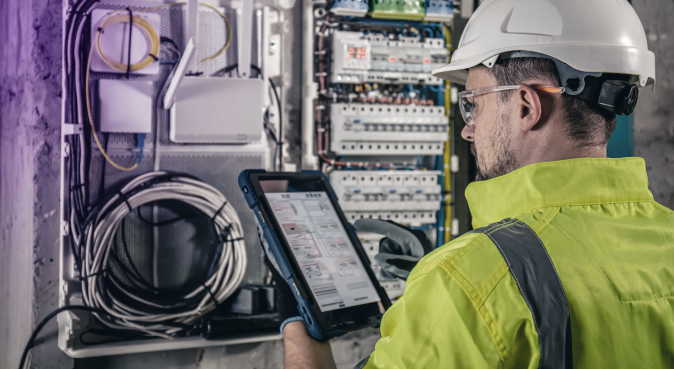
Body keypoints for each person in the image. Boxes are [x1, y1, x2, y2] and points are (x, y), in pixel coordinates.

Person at [277, 0, 674, 367]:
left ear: (525, 106)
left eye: (474, 104)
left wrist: (295, 314)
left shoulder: (464, 285)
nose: (468, 132)